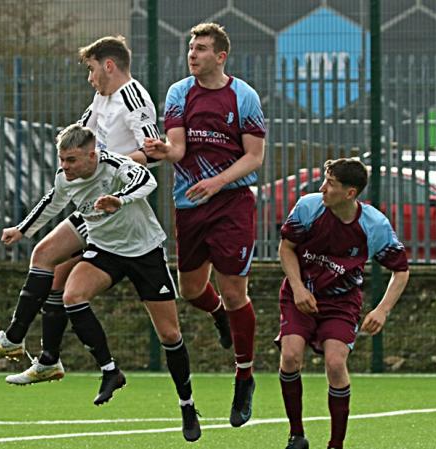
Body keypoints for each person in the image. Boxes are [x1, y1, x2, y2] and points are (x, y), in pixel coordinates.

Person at [0, 35, 232, 384]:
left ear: (109, 65)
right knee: (48, 262)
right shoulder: (100, 98)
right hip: (95, 204)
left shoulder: (134, 98)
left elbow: (153, 153)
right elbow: (81, 136)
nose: (90, 78)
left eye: (92, 70)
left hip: (120, 210)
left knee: (164, 326)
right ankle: (38, 354)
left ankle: (30, 348)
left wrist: (111, 165)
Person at [4, 123, 201, 441]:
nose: (64, 167)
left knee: (170, 334)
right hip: (104, 251)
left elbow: (146, 179)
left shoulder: (114, 165)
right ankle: (110, 371)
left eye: (71, 160)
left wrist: (119, 200)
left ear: (91, 155)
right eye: (61, 159)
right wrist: (22, 230)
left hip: (144, 252)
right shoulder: (64, 177)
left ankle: (187, 404)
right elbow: (52, 202)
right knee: (72, 296)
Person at [143, 22, 266, 427]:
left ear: (220, 55)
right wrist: (164, 150)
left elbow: (254, 157)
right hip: (190, 204)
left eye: (200, 49)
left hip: (231, 202)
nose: (192, 54)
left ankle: (244, 377)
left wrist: (217, 181)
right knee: (192, 290)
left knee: (235, 292)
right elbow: (178, 148)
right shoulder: (180, 92)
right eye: (190, 48)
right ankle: (218, 316)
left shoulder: (243, 96)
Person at [276, 158, 410, 449]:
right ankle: (296, 435)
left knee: (336, 364)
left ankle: (336, 445)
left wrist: (382, 309)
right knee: (290, 357)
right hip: (301, 294)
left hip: (341, 302)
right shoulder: (308, 207)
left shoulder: (375, 225)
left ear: (350, 193)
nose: (322, 188)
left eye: (330, 184)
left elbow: (401, 270)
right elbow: (286, 248)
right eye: (324, 180)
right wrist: (298, 288)